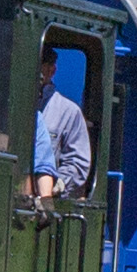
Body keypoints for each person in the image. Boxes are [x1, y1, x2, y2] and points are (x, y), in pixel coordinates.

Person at [26, 57, 91, 209]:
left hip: (46, 200)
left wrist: (57, 184)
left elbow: (78, 162)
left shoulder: (69, 111)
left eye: (40, 67)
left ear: (51, 70)